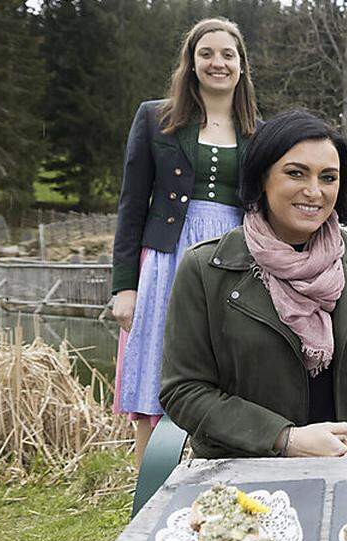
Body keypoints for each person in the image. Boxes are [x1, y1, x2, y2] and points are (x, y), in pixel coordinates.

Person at [160, 110, 347, 459]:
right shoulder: (206, 269)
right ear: (262, 178)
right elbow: (183, 390)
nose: (314, 191)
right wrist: (285, 439)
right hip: (244, 469)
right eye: (295, 173)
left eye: (328, 177)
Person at [111, 17, 260, 465]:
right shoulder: (155, 118)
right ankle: (150, 491)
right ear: (191, 62)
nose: (218, 63)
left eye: (227, 55)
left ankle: (221, 481)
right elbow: (131, 205)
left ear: (241, 65)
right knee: (156, 371)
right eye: (207, 54)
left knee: (229, 369)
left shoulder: (259, 131)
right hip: (168, 257)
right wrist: (124, 286)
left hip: (233, 257)